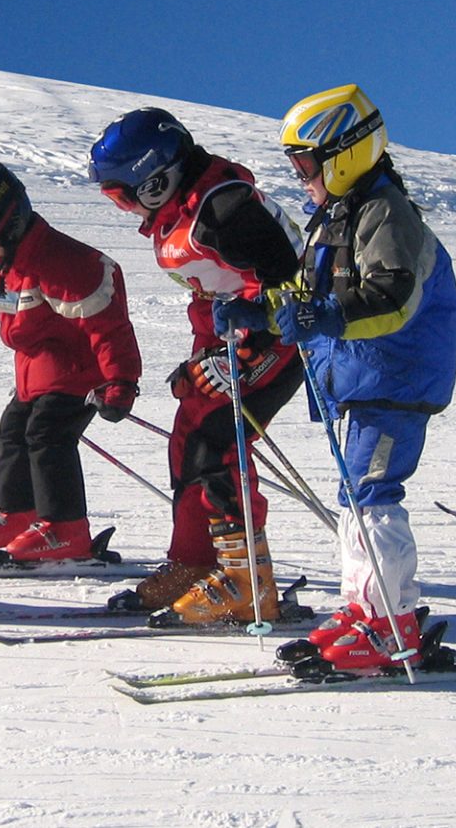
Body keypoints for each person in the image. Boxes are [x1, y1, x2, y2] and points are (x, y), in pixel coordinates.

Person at [221, 85, 456, 673]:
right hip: (363, 377)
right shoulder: (337, 217)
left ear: (345, 154)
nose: (299, 175)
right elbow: (307, 296)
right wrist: (261, 310)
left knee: (372, 496)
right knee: (356, 497)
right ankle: (367, 611)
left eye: (305, 162)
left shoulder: (385, 212)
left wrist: (326, 315)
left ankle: (387, 625)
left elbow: (393, 297)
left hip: (396, 376)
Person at [88, 108, 304, 625]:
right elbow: (215, 294)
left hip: (278, 340)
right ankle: (195, 563)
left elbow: (292, 285)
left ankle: (248, 580)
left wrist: (249, 344)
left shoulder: (223, 210)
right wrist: (203, 355)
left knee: (216, 445)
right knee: (187, 442)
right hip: (233, 341)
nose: (123, 207)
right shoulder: (184, 211)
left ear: (155, 176)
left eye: (123, 193)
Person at [0, 163, 143, 564]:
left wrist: (120, 382)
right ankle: (20, 516)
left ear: (8, 224)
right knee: (13, 432)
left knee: (47, 436)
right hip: (38, 375)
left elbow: (109, 327)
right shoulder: (9, 262)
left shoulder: (62, 263)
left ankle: (66, 529)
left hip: (82, 375)